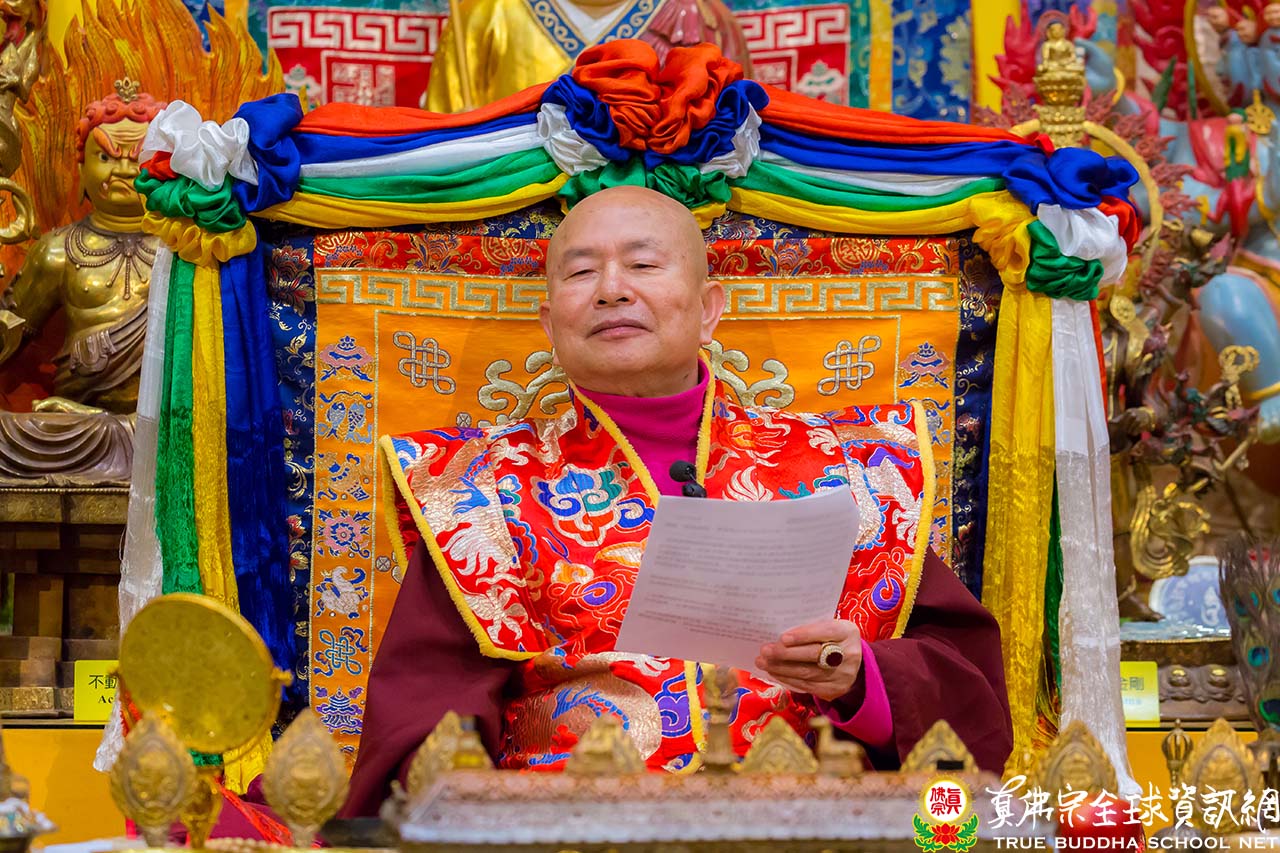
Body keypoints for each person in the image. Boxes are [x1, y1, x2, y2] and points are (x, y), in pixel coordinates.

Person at [342, 186, 1012, 816]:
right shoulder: (482, 485)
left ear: (709, 308)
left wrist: (861, 678)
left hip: (808, 823)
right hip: (573, 828)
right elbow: (425, 714)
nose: (611, 289)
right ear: (549, 323)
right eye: (581, 272)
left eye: (642, 264)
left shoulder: (848, 464)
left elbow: (965, 689)